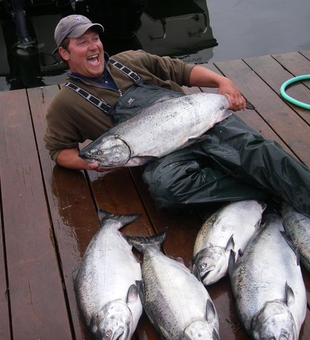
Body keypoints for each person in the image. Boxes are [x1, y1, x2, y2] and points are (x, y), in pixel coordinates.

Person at [45, 14, 310, 217]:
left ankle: (294, 190)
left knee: (259, 153)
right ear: (65, 53)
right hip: (161, 153)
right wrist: (88, 164)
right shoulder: (65, 103)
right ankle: (270, 187)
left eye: (95, 39)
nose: (94, 47)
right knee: (168, 191)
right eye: (82, 42)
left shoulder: (130, 60)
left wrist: (222, 81)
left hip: (201, 121)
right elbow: (59, 151)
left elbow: (182, 72)